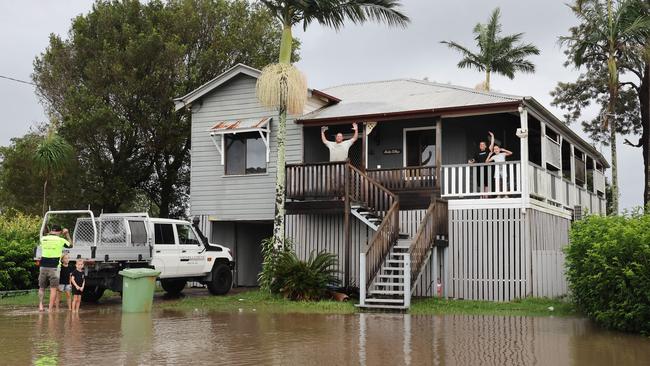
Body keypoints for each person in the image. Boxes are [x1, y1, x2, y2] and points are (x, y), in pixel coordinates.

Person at [38, 224, 72, 312]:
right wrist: (67, 234)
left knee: (41, 287)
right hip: (54, 267)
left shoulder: (43, 239)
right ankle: (50, 309)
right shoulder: (61, 240)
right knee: (53, 289)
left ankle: (41, 305)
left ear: (51, 231)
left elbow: (48, 236)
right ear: (60, 232)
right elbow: (71, 245)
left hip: (43, 266)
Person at [468, 132, 494, 196]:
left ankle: (486, 196)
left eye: (482, 145)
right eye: (480, 145)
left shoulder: (488, 150)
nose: (481, 146)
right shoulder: (477, 152)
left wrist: (492, 136)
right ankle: (481, 196)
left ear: (485, 146)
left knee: (486, 183)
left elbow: (492, 144)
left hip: (487, 169)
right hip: (479, 169)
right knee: (480, 183)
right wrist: (470, 161)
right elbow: (474, 159)